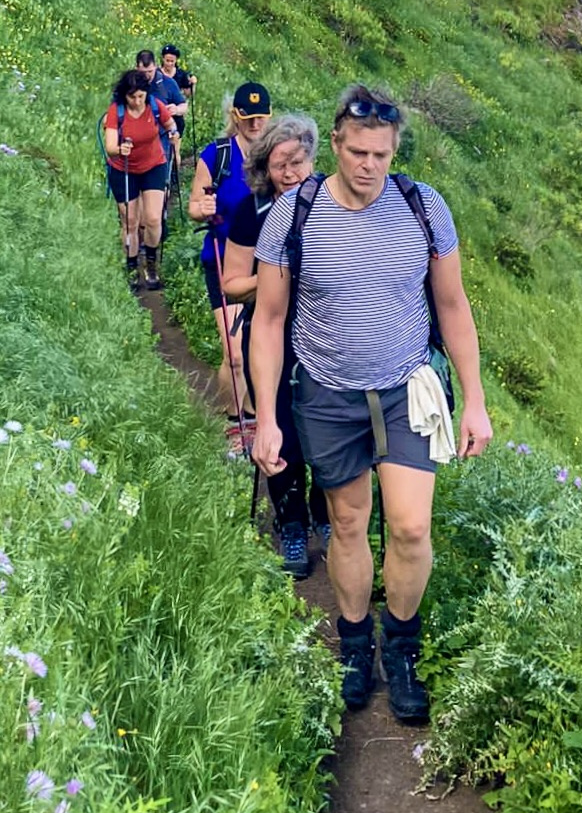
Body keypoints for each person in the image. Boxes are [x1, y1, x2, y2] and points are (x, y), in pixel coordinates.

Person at [249, 85, 492, 723]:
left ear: (395, 149)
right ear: (334, 143)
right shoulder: (292, 215)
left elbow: (453, 305)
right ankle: (355, 644)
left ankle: (402, 648)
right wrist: (267, 418)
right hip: (327, 393)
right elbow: (269, 321)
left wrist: (475, 401)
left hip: (408, 387)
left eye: (382, 155)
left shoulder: (423, 207)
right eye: (358, 152)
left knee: (411, 527)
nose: (369, 167)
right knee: (349, 523)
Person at [220, 113, 327, 578]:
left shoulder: (333, 202)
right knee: (278, 423)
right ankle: (291, 525)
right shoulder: (252, 210)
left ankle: (325, 511)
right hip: (271, 333)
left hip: (327, 333)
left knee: (327, 427)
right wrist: (274, 279)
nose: (291, 173)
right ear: (264, 169)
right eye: (280, 164)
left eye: (298, 162)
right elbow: (231, 283)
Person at [188, 81, 271, 431]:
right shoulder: (217, 155)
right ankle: (236, 423)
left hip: (268, 266)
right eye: (247, 117)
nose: (254, 124)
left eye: (260, 117)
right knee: (235, 354)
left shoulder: (278, 156)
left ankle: (258, 418)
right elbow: (194, 206)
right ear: (234, 116)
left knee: (261, 353)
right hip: (223, 261)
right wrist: (201, 208)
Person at [102, 68, 172, 291]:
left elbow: (170, 125)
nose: (137, 101)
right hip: (123, 169)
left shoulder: (154, 106)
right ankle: (132, 265)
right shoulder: (117, 111)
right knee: (130, 221)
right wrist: (119, 149)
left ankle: (150, 263)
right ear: (125, 95)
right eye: (133, 97)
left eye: (141, 96)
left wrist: (173, 134)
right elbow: (110, 147)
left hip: (153, 165)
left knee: (152, 219)